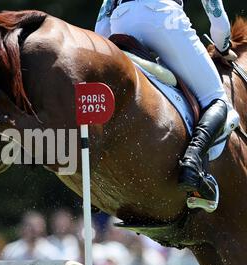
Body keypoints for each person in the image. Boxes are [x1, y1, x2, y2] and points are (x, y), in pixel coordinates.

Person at [95, 0, 239, 210]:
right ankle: (192, 164)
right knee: (217, 100)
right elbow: (213, 9)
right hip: (163, 18)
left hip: (120, 22)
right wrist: (223, 46)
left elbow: (101, 24)